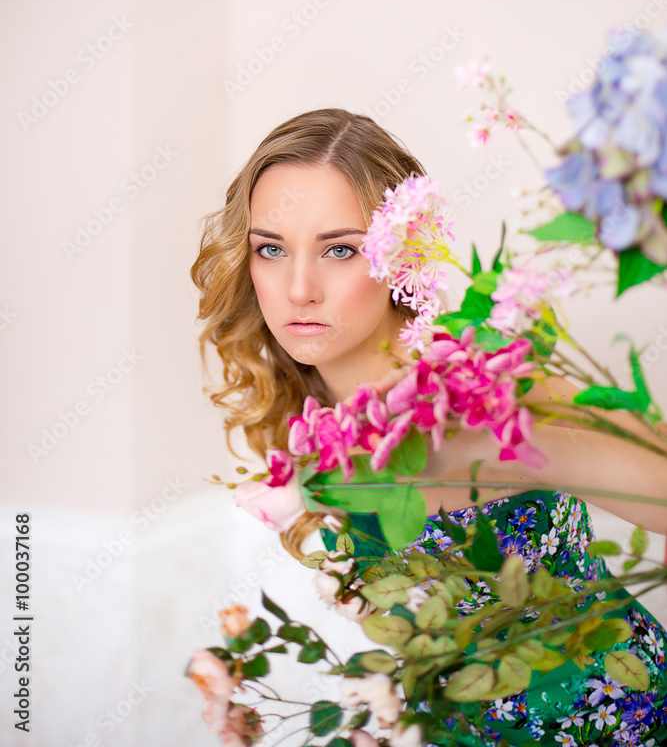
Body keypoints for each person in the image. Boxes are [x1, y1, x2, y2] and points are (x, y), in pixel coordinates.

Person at [190, 107, 667, 746]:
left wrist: (506, 441)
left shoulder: (482, 380)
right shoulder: (309, 418)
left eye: (340, 249)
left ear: (400, 252)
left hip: (613, 721)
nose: (298, 288)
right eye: (271, 249)